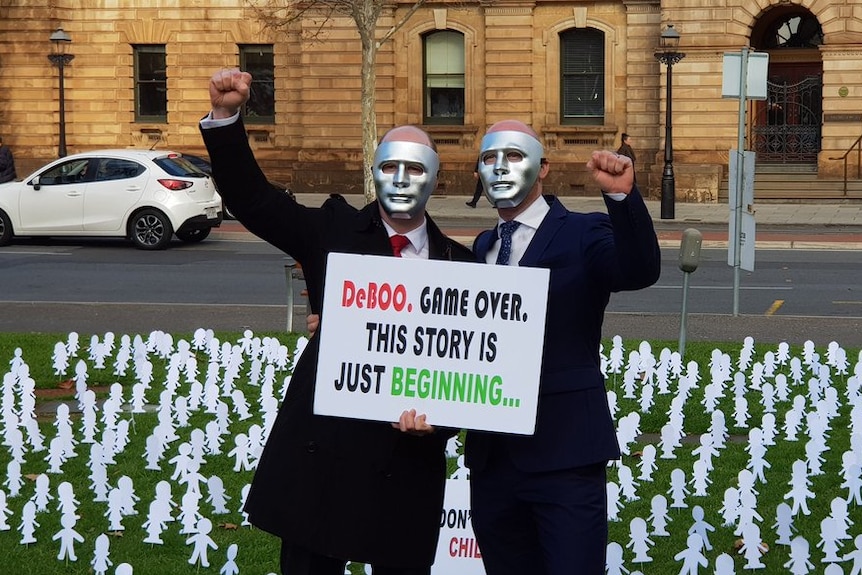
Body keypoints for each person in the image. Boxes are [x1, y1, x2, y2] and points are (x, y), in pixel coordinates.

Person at [199, 68, 475, 575]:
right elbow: (254, 200)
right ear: (374, 172)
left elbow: (478, 371)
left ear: (435, 178)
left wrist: (443, 421)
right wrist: (225, 118)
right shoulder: (333, 229)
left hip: (407, 464)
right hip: (327, 453)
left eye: (414, 169)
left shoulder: (463, 264)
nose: (400, 179)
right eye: (388, 167)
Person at [465, 120, 661, 575]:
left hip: (565, 456)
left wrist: (620, 197)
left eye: (513, 157)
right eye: (489, 159)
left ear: (543, 168)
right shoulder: (482, 247)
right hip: (494, 463)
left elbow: (639, 269)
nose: (499, 168)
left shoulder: (582, 233)